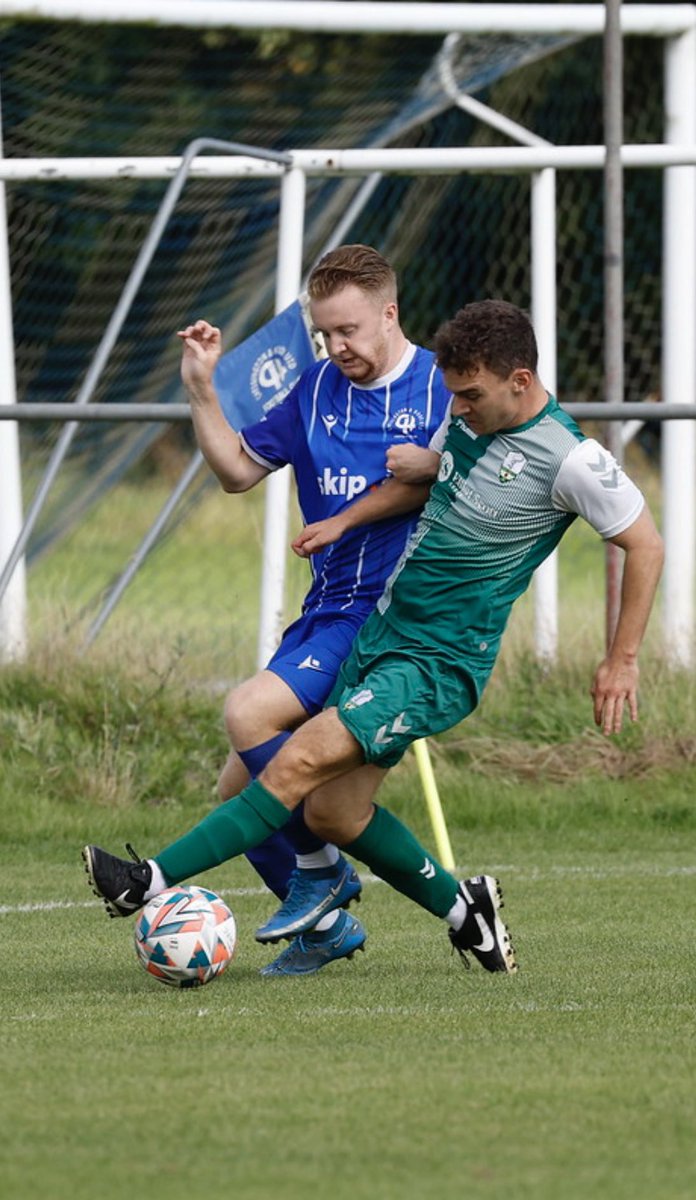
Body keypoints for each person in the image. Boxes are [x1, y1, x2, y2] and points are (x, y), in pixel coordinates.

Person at [83, 299, 664, 976]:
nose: (461, 408)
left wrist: (620, 660)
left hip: (437, 662)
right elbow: (431, 479)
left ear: (522, 381)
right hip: (383, 634)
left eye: (472, 395)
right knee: (333, 812)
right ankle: (464, 911)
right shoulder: (468, 415)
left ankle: (145, 880)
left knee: (296, 758)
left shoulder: (572, 459)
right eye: (455, 395)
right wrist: (345, 521)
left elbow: (645, 545)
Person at [165, 245, 452, 975]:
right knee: (238, 787)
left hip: (389, 619)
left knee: (247, 713)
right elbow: (235, 472)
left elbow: (469, 474)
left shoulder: (442, 388)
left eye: (351, 330)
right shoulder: (315, 387)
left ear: (390, 313)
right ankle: (325, 930)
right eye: (326, 333)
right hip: (323, 611)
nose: (338, 347)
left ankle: (323, 872)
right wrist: (202, 390)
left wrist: (384, 498)